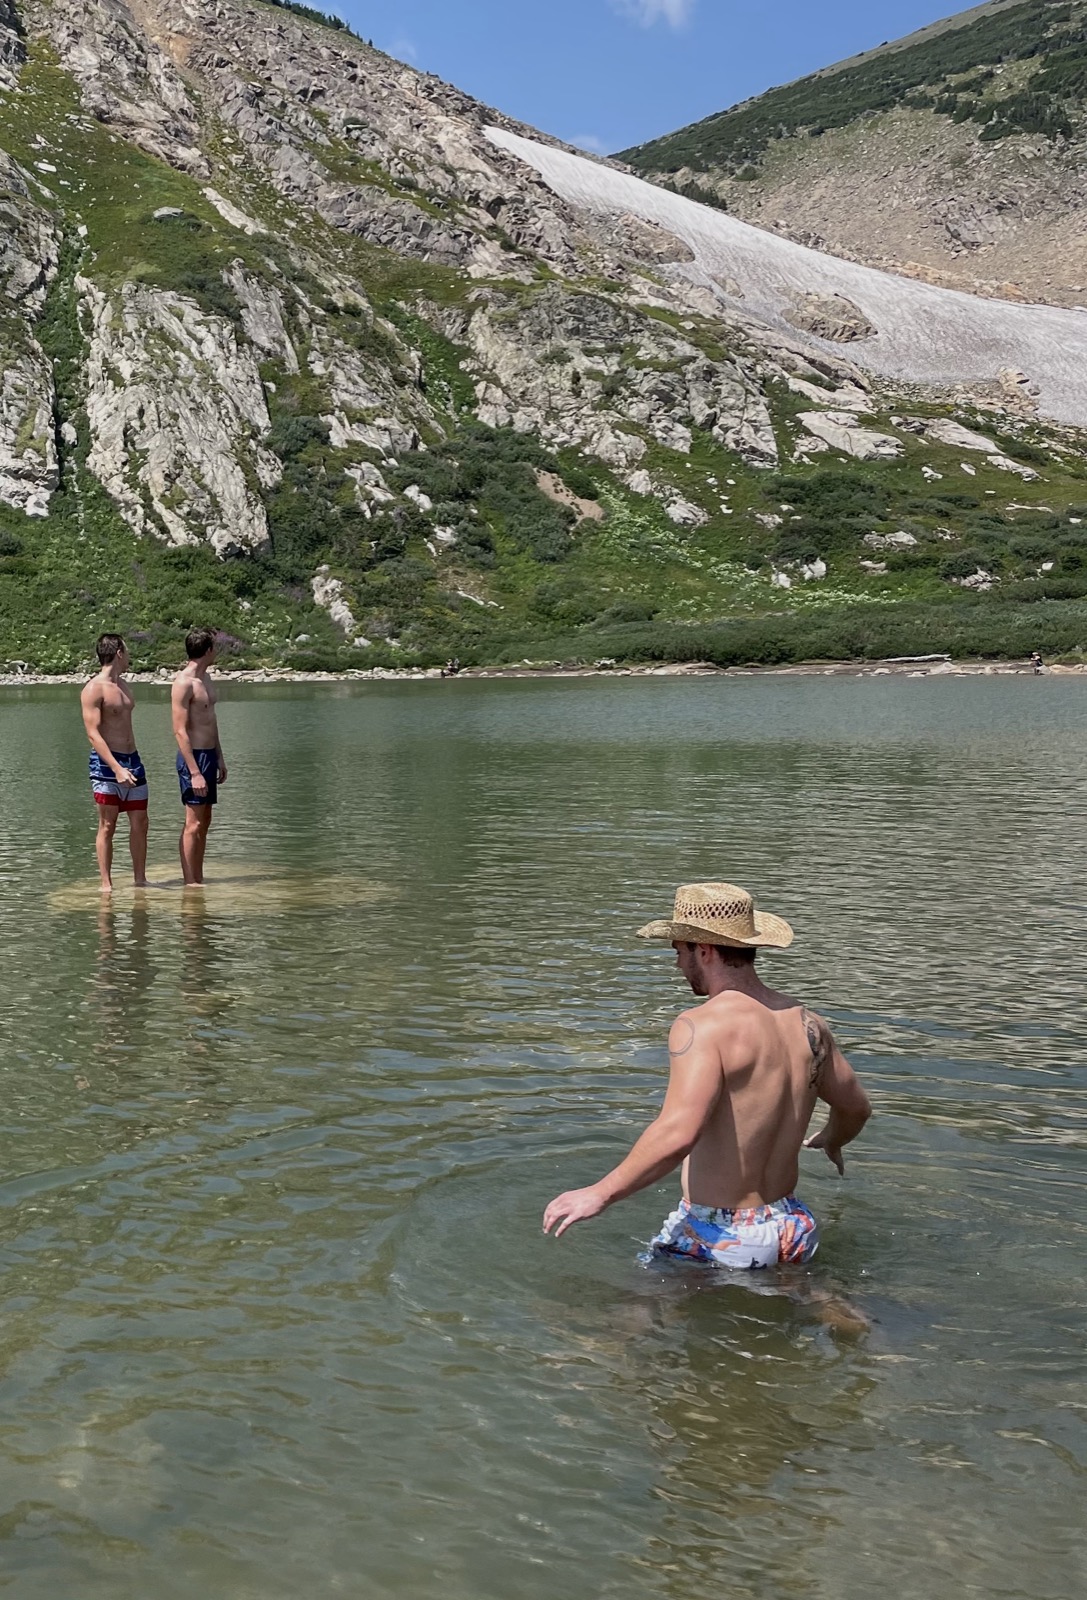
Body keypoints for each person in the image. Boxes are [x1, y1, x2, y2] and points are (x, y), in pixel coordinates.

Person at [543, 882, 872, 1269]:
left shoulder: (701, 1025)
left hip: (723, 1232)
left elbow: (678, 1131)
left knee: (635, 1317)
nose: (678, 965)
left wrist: (600, 1192)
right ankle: (833, 1306)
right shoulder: (805, 1022)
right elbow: (855, 1107)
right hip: (792, 1224)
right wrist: (833, 1139)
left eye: (679, 952)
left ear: (705, 950)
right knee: (785, 1301)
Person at [80, 633, 150, 892]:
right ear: (119, 652)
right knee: (108, 824)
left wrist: (127, 766)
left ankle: (140, 879)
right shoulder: (93, 689)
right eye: (127, 651)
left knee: (140, 822)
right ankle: (106, 884)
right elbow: (93, 733)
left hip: (133, 760)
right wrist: (116, 768)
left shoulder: (123, 685)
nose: (129, 656)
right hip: (106, 765)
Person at [172, 628, 227, 886]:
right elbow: (180, 730)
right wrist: (194, 772)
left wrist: (219, 756)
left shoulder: (206, 679)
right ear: (208, 651)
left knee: (205, 820)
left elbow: (211, 721)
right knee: (192, 822)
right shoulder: (183, 683)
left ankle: (199, 876)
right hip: (192, 757)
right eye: (214, 648)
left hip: (209, 755)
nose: (216, 652)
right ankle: (189, 881)